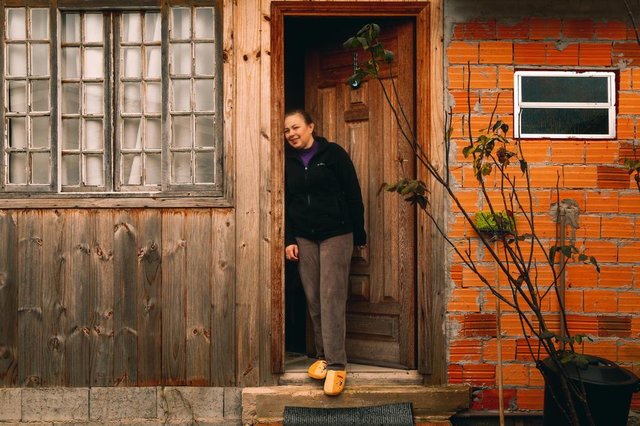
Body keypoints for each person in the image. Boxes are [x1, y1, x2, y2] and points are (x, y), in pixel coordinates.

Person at [283, 109, 366, 396]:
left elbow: (353, 192)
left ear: (311, 127)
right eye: (286, 131)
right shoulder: (289, 163)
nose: (291, 134)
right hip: (305, 237)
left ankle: (337, 364)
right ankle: (322, 355)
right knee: (314, 296)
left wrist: (359, 232)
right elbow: (286, 202)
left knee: (331, 295)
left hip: (336, 233)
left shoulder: (333, 155)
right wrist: (290, 238)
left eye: (295, 127)